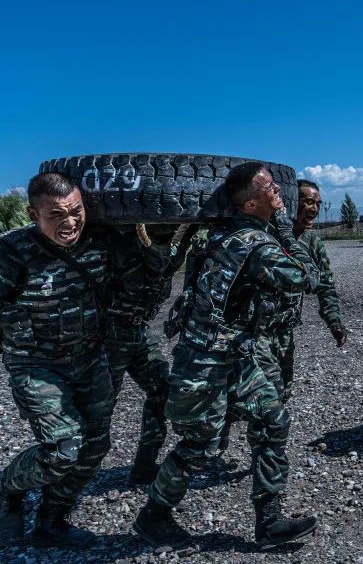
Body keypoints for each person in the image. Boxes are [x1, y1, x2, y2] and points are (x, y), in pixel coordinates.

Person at [133, 163, 320, 550]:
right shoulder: (255, 245)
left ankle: (268, 523)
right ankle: (154, 516)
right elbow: (306, 278)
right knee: (198, 443)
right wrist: (286, 230)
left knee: (272, 418)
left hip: (232, 355)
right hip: (205, 361)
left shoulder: (224, 233)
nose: (278, 192)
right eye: (269, 188)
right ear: (250, 203)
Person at [0, 172, 112, 548]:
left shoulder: (102, 240)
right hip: (35, 365)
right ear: (33, 213)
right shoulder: (8, 254)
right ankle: (6, 490)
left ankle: (52, 520)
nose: (69, 222)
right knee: (62, 449)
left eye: (76, 211)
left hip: (89, 358)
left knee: (96, 444)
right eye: (56, 215)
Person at [105, 224, 194, 486]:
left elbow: (170, 260)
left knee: (162, 391)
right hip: (110, 336)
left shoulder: (170, 248)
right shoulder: (123, 243)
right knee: (99, 408)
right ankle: (62, 479)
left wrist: (191, 229)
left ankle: (144, 466)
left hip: (139, 332)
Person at [260, 179, 347, 398]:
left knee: (282, 392)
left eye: (317, 203)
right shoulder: (267, 235)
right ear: (291, 201)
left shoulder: (312, 241)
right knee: (258, 398)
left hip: (285, 331)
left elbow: (325, 285)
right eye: (307, 202)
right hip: (256, 331)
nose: (314, 209)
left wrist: (334, 321)